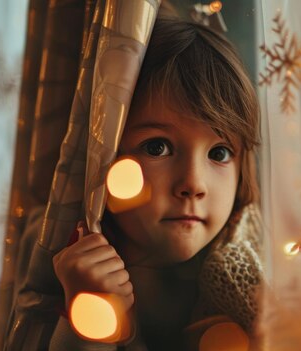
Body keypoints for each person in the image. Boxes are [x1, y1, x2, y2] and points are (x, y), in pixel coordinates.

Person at [49, 14, 263, 351]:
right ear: (102, 154)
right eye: (157, 147)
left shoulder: (248, 284)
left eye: (219, 153)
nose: (193, 184)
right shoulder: (59, 255)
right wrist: (90, 310)